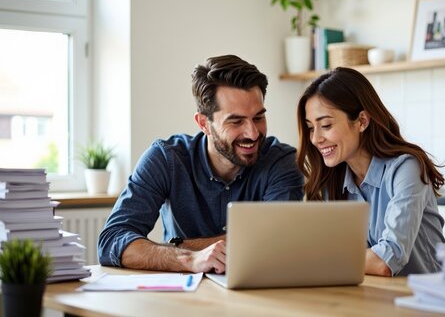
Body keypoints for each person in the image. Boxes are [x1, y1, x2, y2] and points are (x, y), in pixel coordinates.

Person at [98, 55, 304, 273]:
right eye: (236, 121)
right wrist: (190, 259)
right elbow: (112, 240)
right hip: (183, 296)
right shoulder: (166, 159)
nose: (252, 133)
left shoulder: (281, 162)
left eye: (258, 118)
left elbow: (278, 243)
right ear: (204, 123)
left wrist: (180, 245)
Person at [296, 67, 445, 277]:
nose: (315, 139)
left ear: (362, 121)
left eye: (326, 125)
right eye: (311, 128)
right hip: (372, 297)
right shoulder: (334, 181)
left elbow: (386, 261)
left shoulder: (406, 168)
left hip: (424, 303)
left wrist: (317, 259)